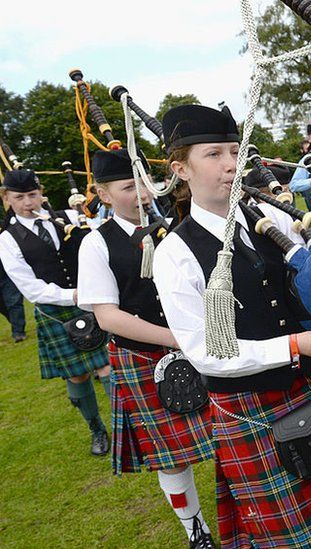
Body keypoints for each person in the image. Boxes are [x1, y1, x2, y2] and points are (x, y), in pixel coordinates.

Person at [152, 104, 311, 548]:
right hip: (252, 414)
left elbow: (305, 293)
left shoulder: (263, 224)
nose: (231, 164)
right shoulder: (177, 253)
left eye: (234, 151)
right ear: (181, 168)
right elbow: (209, 352)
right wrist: (295, 344)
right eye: (213, 154)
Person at [77, 148, 216, 548]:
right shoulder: (95, 244)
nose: (140, 192)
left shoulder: (176, 227)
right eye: (126, 186)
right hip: (144, 357)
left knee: (230, 433)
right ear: (103, 194)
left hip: (201, 346)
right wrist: (179, 339)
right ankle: (195, 528)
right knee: (171, 455)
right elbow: (108, 317)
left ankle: (245, 508)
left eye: (142, 182)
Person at [0, 169, 111, 456]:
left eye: (33, 195)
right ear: (6, 198)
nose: (28, 202)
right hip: (55, 311)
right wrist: (73, 295)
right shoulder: (7, 240)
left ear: (41, 193)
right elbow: (31, 288)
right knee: (78, 376)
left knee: (109, 367)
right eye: (20, 197)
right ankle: (96, 429)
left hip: (90, 301)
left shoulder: (67, 217)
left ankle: (127, 424)